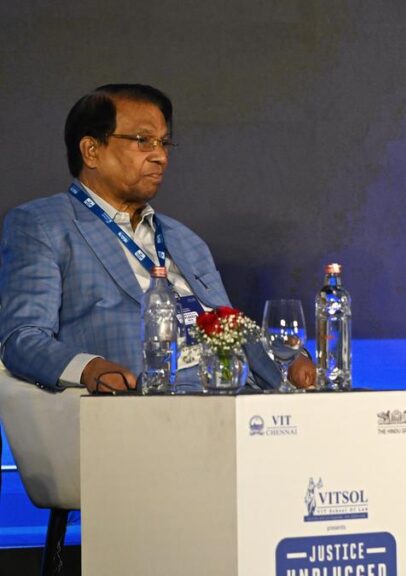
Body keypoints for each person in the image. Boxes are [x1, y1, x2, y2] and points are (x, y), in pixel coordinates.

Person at [0, 84, 315, 393]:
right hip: (146, 399)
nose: (161, 156)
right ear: (91, 150)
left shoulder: (184, 239)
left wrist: (289, 359)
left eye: (164, 143)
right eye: (143, 141)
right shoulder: (42, 224)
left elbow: (227, 325)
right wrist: (89, 368)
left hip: (236, 392)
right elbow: (22, 338)